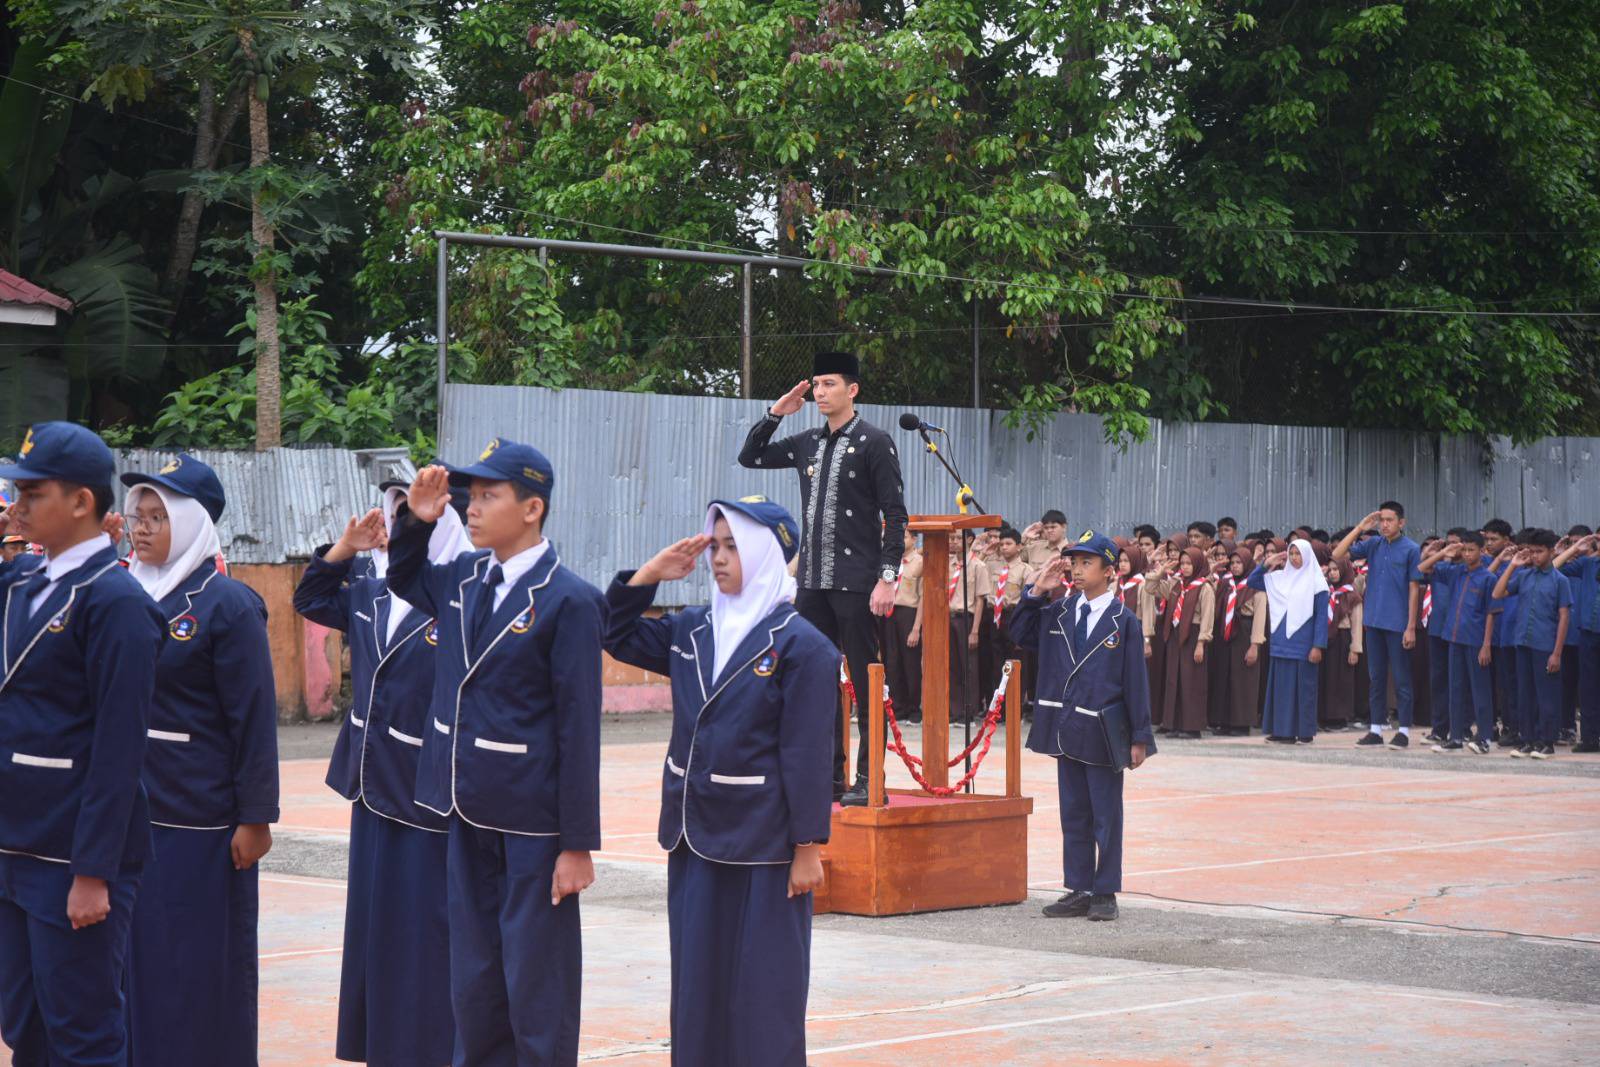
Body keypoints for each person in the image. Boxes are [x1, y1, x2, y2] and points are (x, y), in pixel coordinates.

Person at [385, 443, 605, 1065]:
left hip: (534, 821)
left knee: (538, 982)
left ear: (532, 508)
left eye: (486, 496)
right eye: (467, 496)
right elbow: (403, 576)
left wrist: (576, 844)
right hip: (465, 805)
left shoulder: (570, 600)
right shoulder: (464, 580)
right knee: (475, 977)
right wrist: (418, 521)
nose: (470, 509)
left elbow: (579, 727)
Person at [604, 497, 833, 1067]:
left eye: (734, 546)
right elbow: (612, 632)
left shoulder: (804, 646)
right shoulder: (691, 628)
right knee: (697, 984)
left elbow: (807, 753)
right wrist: (648, 576)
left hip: (764, 846)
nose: (719, 558)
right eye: (716, 545)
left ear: (766, 554)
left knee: (765, 990)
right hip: (694, 835)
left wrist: (808, 847)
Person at [292, 475, 475, 1067]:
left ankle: (427, 1047)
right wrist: (344, 550)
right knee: (377, 929)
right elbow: (310, 600)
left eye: (415, 517)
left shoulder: (463, 595)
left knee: (426, 931)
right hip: (370, 785)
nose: (401, 529)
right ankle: (382, 1046)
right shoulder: (370, 588)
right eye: (399, 515)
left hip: (426, 793)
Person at [0, 422, 165, 1065]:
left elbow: (120, 749)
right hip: (15, 843)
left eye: (32, 492)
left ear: (81, 502)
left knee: (84, 1032)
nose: (16, 503)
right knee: (27, 1025)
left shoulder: (114, 600)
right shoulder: (23, 583)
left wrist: (93, 873)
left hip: (72, 856)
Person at [115, 455, 279, 1067]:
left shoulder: (228, 605)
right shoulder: (120, 591)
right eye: (138, 515)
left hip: (199, 821)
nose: (144, 527)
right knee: (133, 963)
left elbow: (254, 717)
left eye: (159, 516)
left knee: (196, 964)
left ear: (192, 523)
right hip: (125, 812)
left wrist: (255, 816)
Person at [738, 350, 908, 805]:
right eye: (816, 384)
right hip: (812, 582)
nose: (819, 392)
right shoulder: (806, 441)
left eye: (829, 384)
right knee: (815, 679)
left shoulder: (875, 441)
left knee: (866, 682)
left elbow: (895, 515)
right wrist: (776, 413)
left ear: (852, 390)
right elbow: (749, 457)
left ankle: (871, 780)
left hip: (856, 582)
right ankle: (828, 776)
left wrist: (887, 576)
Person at [1012, 531, 1155, 923]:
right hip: (1065, 726)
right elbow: (1019, 634)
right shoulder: (1059, 610)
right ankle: (1078, 887)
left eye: (1086, 563)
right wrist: (1035, 592)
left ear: (1109, 571)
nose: (1076, 569)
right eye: (1073, 562)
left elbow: (1135, 683)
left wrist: (1140, 737)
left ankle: (1105, 890)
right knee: (1073, 812)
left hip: (1103, 730)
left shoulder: (1122, 621)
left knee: (1106, 814)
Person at [1334, 502, 1421, 748]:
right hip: (1374, 621)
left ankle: (1403, 730)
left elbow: (1414, 589)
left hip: (1398, 623)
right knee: (1376, 677)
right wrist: (1361, 527)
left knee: (1402, 678)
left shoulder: (1411, 550)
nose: (1384, 524)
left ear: (1401, 523)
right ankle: (1376, 729)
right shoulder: (1373, 544)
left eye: (1390, 520)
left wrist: (1411, 626)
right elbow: (1338, 554)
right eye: (1381, 520)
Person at [1492, 529, 1572, 759]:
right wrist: (1513, 565)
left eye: (1540, 552)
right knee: (1525, 694)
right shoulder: (1524, 575)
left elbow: (1564, 617)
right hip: (1523, 643)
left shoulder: (1560, 580)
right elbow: (1498, 593)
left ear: (1551, 551)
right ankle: (1528, 740)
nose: (1535, 556)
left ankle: (1546, 742)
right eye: (1532, 552)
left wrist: (1557, 653)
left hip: (1545, 645)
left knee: (1546, 695)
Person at [1421, 533, 1497, 753]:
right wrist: (1444, 552)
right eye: (1464, 550)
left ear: (1482, 552)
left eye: (1471, 550)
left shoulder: (1488, 578)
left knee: (1480, 689)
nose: (1466, 554)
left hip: (1475, 640)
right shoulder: (1455, 572)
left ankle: (1484, 738)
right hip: (1453, 638)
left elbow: (1492, 613)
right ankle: (1455, 738)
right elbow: (1423, 568)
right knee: (1455, 688)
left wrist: (1486, 645)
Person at [1250, 539, 1329, 744]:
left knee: (1304, 691)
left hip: (1304, 646)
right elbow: (1252, 582)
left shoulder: (1317, 582)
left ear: (1307, 555)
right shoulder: (1279, 578)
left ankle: (1304, 732)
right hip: (1281, 644)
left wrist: (1318, 646)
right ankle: (1282, 731)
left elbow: (1321, 617)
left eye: (1298, 554)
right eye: (1291, 554)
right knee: (1281, 691)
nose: (1294, 558)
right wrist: (1268, 563)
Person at [911, 535, 995, 724]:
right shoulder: (945, 563)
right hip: (945, 618)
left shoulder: (977, 566)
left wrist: (974, 630)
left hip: (965, 618)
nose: (953, 542)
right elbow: (921, 576)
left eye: (958, 538)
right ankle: (953, 710)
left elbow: (980, 600)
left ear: (969, 540)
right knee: (950, 666)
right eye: (950, 538)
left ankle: (968, 712)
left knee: (968, 667)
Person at [1160, 548, 1214, 738]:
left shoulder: (1204, 587)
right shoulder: (1177, 585)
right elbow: (1152, 588)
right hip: (1176, 634)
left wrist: (1201, 642)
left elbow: (1207, 617)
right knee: (1174, 679)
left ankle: (1192, 727)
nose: (1184, 567)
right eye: (1182, 563)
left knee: (1191, 681)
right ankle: (1174, 723)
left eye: (1189, 563)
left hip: (1193, 635)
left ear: (1198, 564)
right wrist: (1160, 572)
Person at [1554, 532, 1600, 753]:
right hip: (1589, 633)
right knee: (1588, 687)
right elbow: (1553, 568)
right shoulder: (1588, 564)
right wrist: (1573, 550)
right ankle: (1591, 738)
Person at [983, 527, 1035, 699]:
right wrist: (984, 552)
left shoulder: (1025, 570)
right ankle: (997, 706)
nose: (1004, 547)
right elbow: (976, 567)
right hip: (995, 617)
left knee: (1015, 661)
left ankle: (1015, 705)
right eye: (1002, 544)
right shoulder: (992, 565)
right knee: (996, 661)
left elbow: (1028, 600)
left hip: (1014, 615)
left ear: (1019, 546)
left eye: (1008, 543)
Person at [879, 527, 923, 723]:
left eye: (904, 536)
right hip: (889, 613)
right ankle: (897, 707)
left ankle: (914, 708)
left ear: (914, 539)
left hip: (909, 613)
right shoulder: (889, 561)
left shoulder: (920, 562)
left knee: (911, 663)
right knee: (891, 661)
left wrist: (916, 628)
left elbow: (923, 597)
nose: (899, 540)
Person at [1222, 548, 1267, 734]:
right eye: (1232, 563)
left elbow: (1260, 619)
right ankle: (1227, 721)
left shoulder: (1256, 587)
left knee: (1244, 681)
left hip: (1246, 633)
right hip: (1229, 633)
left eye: (1239, 562)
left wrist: (1254, 646)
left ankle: (1242, 723)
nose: (1234, 566)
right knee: (1228, 678)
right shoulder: (1228, 585)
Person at [1319, 556, 1364, 731]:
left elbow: (1357, 624)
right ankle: (1324, 715)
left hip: (1343, 639)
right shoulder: (1325, 591)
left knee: (1340, 679)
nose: (1333, 573)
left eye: (1336, 569)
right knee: (1326, 678)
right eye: (1330, 570)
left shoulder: (1352, 595)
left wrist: (1355, 648)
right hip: (1326, 639)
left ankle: (1338, 718)